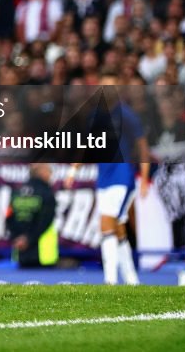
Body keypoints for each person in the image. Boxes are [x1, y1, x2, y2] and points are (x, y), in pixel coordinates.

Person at [66, 74, 151, 285]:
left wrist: (144, 178)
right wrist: (73, 170)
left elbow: (142, 148)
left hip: (122, 176)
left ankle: (110, 280)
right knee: (118, 227)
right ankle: (131, 278)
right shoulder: (95, 115)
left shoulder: (127, 115)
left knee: (106, 224)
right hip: (103, 177)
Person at [6, 163, 58, 268]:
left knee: (23, 283)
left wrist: (17, 238)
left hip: (20, 250)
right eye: (49, 171)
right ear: (42, 173)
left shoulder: (17, 192)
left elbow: (9, 217)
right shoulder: (47, 193)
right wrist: (28, 239)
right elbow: (45, 220)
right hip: (43, 253)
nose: (51, 175)